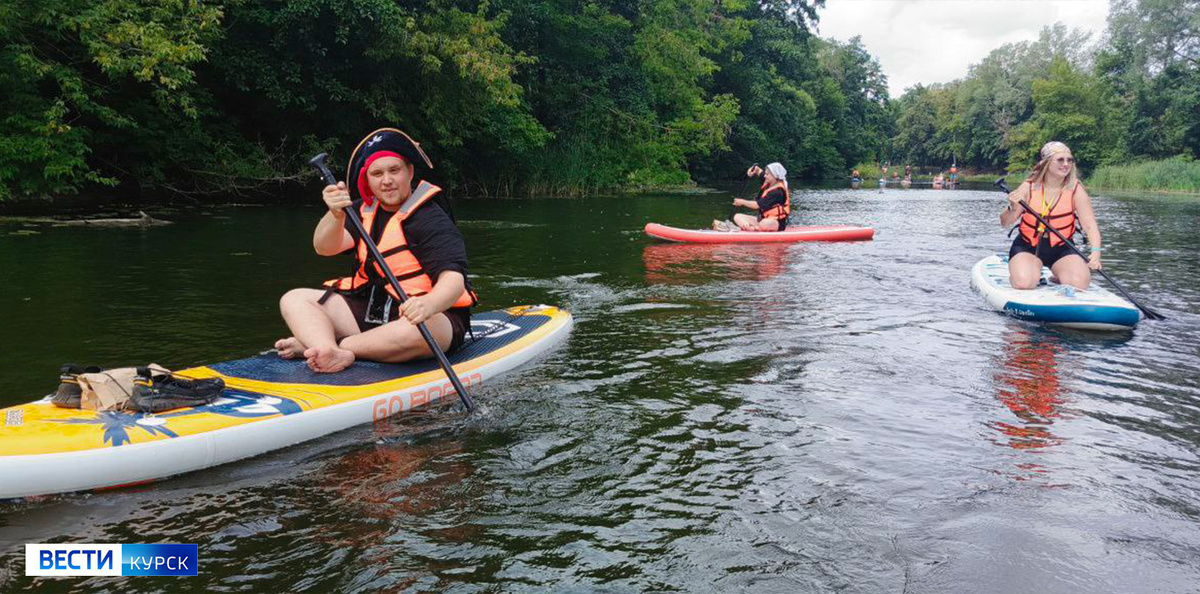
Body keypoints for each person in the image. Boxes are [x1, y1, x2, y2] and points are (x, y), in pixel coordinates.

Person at [274, 128, 477, 373]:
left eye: (394, 170)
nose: (387, 180)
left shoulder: (431, 219)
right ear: (367, 179)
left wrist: (429, 304)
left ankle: (332, 345)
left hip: (430, 318)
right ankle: (327, 348)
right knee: (295, 299)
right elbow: (324, 247)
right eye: (377, 173)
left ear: (409, 172)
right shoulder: (361, 211)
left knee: (419, 330)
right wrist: (335, 214)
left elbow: (454, 281)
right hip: (373, 313)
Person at [999, 141, 1102, 291]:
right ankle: (1023, 274)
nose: (1066, 164)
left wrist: (1096, 253)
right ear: (1046, 163)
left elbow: (1090, 226)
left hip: (1062, 248)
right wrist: (1012, 207)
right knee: (1024, 283)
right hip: (1028, 246)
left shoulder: (1075, 189)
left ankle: (1058, 277)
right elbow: (1005, 222)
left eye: (1069, 160)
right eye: (1060, 160)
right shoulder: (1029, 186)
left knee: (1080, 285)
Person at [714, 162, 790, 232]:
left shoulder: (778, 192)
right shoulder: (770, 181)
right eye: (765, 173)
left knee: (765, 223)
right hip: (761, 220)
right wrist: (754, 169)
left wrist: (742, 202)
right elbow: (758, 170)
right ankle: (751, 228)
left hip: (776, 223)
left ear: (775, 176)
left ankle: (751, 229)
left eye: (767, 174)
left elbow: (757, 205)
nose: (765, 175)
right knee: (737, 216)